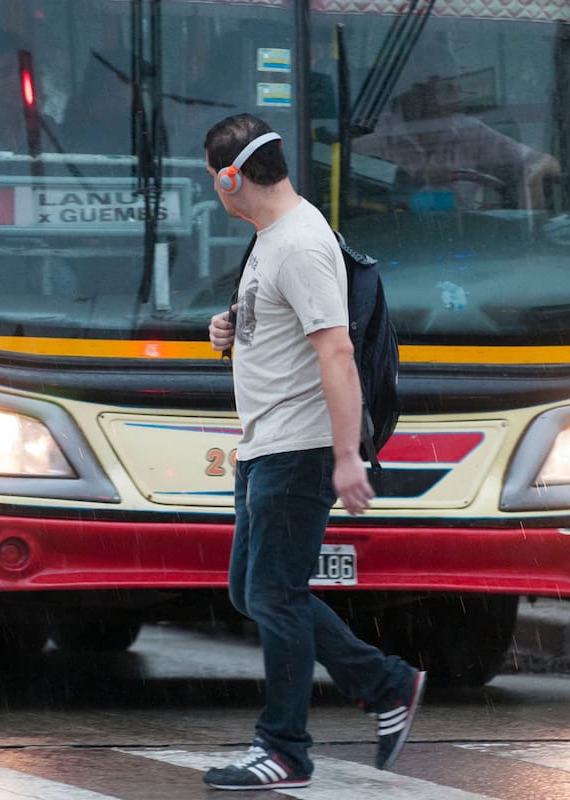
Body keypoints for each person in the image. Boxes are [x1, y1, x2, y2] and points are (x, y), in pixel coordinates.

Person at [203, 113, 426, 792]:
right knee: (257, 590)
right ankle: (385, 684)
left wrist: (346, 456)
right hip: (266, 445)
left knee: (273, 594)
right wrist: (230, 329)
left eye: (214, 181)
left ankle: (285, 749)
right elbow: (286, 330)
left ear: (229, 178)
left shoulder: (298, 244)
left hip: (297, 450)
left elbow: (336, 350)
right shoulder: (274, 240)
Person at [357, 75, 561, 210]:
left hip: (465, 239)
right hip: (391, 238)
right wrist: (417, 179)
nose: (451, 100)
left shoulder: (468, 131)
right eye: (436, 90)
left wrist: (533, 171)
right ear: (410, 93)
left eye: (450, 89)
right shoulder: (373, 139)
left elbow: (544, 162)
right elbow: (351, 194)